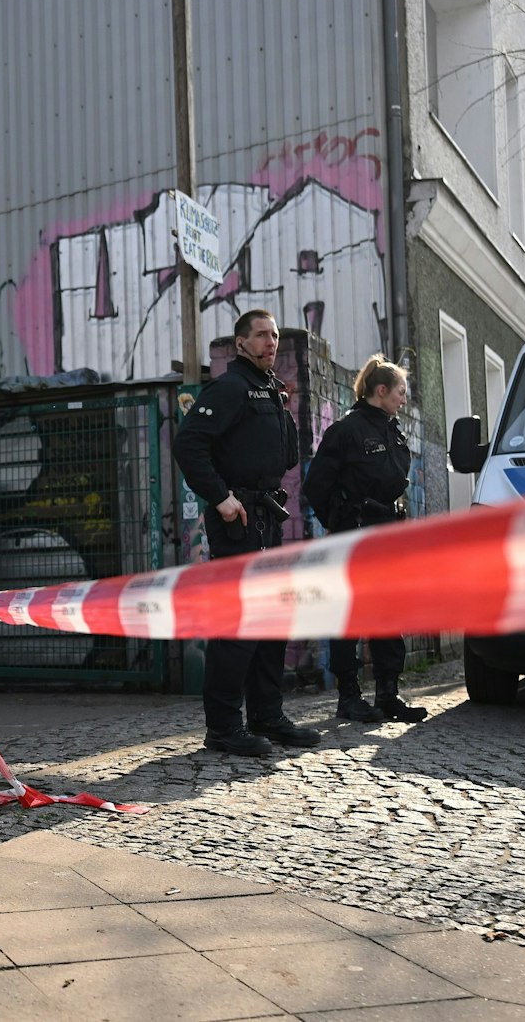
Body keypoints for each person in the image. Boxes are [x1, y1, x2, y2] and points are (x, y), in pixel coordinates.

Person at [173, 309, 321, 756]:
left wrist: (284, 406)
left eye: (274, 335)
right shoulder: (231, 386)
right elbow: (188, 444)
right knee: (237, 625)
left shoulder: (270, 389)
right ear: (241, 343)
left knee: (271, 619)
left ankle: (266, 715)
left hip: (265, 517)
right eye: (260, 335)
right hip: (238, 520)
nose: (270, 342)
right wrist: (220, 497)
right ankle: (223, 727)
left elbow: (289, 457)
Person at [301, 354, 430, 724]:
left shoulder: (393, 429)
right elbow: (316, 485)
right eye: (401, 392)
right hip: (354, 535)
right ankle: (349, 696)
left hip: (387, 535)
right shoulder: (346, 430)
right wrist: (340, 523)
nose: (404, 399)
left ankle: (388, 693)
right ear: (381, 390)